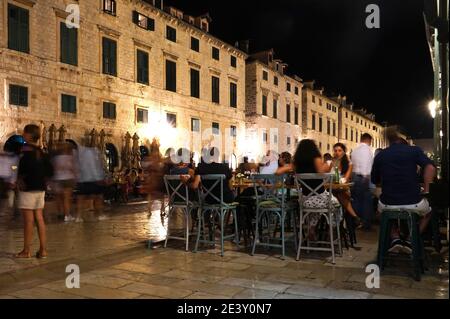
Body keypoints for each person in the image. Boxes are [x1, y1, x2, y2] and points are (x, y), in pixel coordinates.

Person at [371, 127, 436, 253]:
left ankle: (395, 237)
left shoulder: (381, 155)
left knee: (380, 212)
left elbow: (375, 180)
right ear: (403, 141)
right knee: (428, 213)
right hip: (413, 202)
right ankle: (410, 240)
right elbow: (430, 168)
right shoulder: (414, 151)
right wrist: (426, 189)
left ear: (389, 141)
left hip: (388, 203)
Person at [276, 140, 340, 238]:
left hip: (305, 201)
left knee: (315, 207)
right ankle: (332, 228)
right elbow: (321, 171)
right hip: (321, 200)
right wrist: (328, 164)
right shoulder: (316, 159)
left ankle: (312, 228)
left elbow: (278, 171)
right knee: (336, 204)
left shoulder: (296, 163)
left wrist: (289, 169)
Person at [16, 124, 54, 259]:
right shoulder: (41, 152)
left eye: (24, 133)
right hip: (40, 189)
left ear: (28, 135)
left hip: (28, 189)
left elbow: (22, 170)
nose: (22, 135)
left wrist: (21, 179)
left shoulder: (25, 151)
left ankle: (26, 251)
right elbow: (50, 171)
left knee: (28, 221)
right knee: (39, 218)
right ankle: (43, 250)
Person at [329, 143, 361, 224]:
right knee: (337, 193)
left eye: (339, 150)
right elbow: (327, 175)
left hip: (343, 188)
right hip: (331, 189)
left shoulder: (349, 163)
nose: (337, 152)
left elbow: (346, 179)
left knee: (339, 193)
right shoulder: (331, 163)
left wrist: (336, 182)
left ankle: (338, 224)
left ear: (344, 152)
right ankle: (354, 216)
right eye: (335, 150)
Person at [75, 145, 107, 222]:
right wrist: (100, 178)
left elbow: (77, 167)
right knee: (98, 197)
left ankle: (78, 217)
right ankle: (100, 215)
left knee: (80, 198)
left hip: (82, 180)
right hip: (93, 179)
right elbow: (95, 167)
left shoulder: (80, 153)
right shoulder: (94, 152)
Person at [351, 133, 374, 230]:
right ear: (369, 140)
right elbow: (366, 163)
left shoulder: (355, 150)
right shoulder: (367, 150)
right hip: (363, 177)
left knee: (356, 200)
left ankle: (356, 221)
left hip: (354, 176)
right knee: (367, 201)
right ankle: (365, 223)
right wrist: (366, 176)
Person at [52, 142, 76, 222]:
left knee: (58, 198)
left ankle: (59, 213)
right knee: (66, 199)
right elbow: (72, 168)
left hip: (57, 179)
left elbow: (54, 169)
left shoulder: (56, 158)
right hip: (67, 179)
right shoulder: (70, 157)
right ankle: (67, 215)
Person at [142, 139, 166, 214]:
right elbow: (161, 165)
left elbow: (147, 165)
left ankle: (150, 209)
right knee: (160, 194)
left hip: (153, 178)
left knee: (152, 194)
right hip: (157, 178)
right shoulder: (158, 156)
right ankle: (161, 209)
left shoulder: (152, 156)